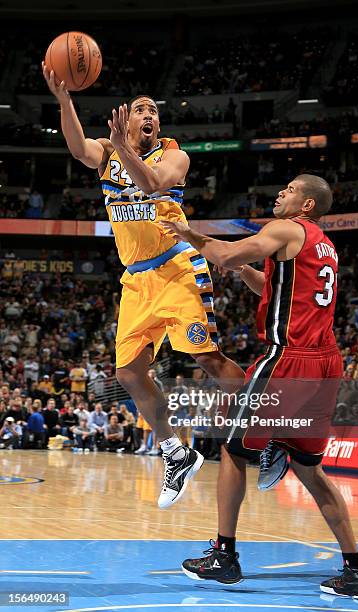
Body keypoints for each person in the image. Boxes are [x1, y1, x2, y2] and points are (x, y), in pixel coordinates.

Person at [162, 174, 358, 599]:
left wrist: (187, 232)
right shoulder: (323, 244)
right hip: (326, 365)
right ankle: (357, 568)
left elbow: (221, 254)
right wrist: (244, 268)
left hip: (287, 359)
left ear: (307, 205)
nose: (282, 192)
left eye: (292, 189)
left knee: (232, 446)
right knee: (310, 469)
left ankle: (224, 556)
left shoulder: (284, 228)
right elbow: (277, 288)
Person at [42, 66, 245, 508]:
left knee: (207, 357)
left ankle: (266, 432)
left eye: (154, 110)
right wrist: (64, 101)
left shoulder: (175, 155)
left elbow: (152, 184)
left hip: (176, 267)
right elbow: (78, 149)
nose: (149, 114)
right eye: (140, 110)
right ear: (127, 120)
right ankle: (176, 452)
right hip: (136, 279)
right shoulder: (107, 151)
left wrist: (118, 145)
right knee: (128, 373)